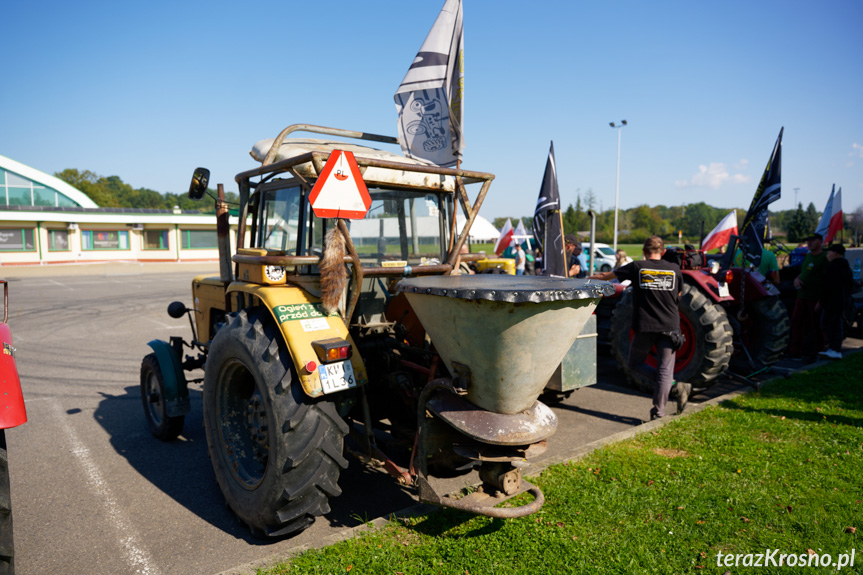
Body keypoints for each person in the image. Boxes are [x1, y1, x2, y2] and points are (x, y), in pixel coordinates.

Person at [591, 236, 692, 419]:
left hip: (645, 326)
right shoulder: (674, 269)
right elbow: (678, 294)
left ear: (645, 252)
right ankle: (665, 402)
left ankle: (667, 396)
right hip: (670, 326)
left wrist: (586, 279)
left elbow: (607, 277)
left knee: (635, 363)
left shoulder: (637, 267)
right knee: (664, 371)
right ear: (662, 252)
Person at [789, 233, 827, 360]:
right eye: (808, 241)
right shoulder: (808, 256)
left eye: (812, 241)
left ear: (820, 242)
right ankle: (796, 351)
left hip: (814, 298)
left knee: (816, 325)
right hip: (801, 296)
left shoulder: (824, 258)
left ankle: (818, 351)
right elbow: (803, 272)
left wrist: (821, 300)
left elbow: (827, 280)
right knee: (796, 322)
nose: (809, 243)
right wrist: (797, 279)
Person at [819, 244, 854, 359]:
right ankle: (834, 348)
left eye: (829, 252)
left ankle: (835, 349)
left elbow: (827, 286)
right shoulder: (846, 267)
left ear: (835, 253)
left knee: (830, 325)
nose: (827, 255)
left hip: (832, 302)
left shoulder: (833, 267)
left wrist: (822, 301)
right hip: (841, 301)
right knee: (836, 324)